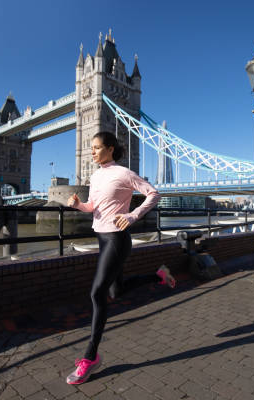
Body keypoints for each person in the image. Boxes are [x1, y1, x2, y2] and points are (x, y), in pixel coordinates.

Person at [65, 131, 175, 385]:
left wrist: (134, 215)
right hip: (102, 238)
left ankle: (90, 357)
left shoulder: (124, 173)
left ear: (110, 149)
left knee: (97, 293)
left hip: (117, 239)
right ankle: (158, 276)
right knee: (116, 291)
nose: (91, 152)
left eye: (96, 148)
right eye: (90, 148)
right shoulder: (95, 175)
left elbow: (154, 193)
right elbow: (93, 207)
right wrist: (77, 205)